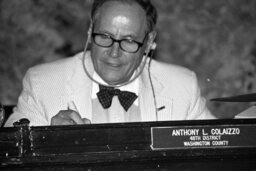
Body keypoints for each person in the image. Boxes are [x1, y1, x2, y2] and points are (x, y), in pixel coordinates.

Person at [5, 0, 215, 127]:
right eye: (105, 36)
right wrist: (47, 140)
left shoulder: (182, 86)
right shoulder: (43, 83)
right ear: (89, 31)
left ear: (149, 42)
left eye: (129, 41)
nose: (114, 53)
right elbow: (9, 152)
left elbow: (221, 148)